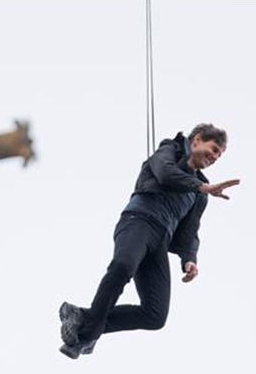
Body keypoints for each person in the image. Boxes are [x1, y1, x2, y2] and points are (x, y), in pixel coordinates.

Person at [59, 124, 240, 359]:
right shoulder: (169, 151)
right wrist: (201, 186)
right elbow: (165, 174)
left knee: (155, 315)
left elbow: (190, 231)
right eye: (214, 148)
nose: (215, 157)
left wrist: (189, 259)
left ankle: (82, 318)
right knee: (123, 266)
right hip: (139, 221)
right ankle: (87, 334)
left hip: (159, 243)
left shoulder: (200, 194)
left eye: (219, 154)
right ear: (196, 140)